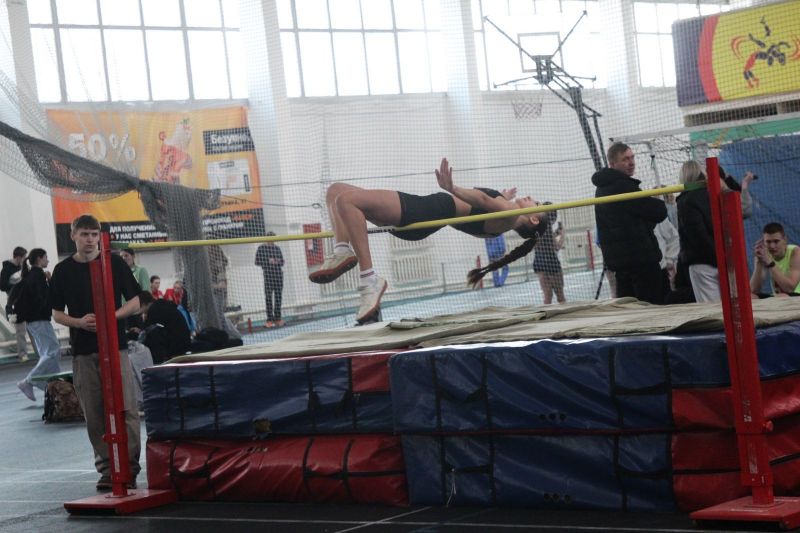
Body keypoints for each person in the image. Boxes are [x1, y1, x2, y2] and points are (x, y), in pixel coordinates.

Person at [309, 158, 545, 322]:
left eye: (535, 203)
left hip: (426, 211)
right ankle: (341, 250)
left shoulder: (509, 214)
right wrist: (502, 196)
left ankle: (369, 279)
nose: (530, 197)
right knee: (336, 191)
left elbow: (483, 200)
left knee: (346, 200)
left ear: (533, 219)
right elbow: (481, 209)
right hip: (425, 216)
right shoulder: (501, 221)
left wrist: (453, 188)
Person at [49, 214, 141, 491]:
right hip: (83, 351)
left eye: (94, 234)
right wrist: (78, 322)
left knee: (126, 407)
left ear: (99, 236)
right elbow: (56, 313)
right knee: (94, 412)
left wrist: (112, 316)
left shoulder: (114, 263)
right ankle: (107, 468)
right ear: (73, 236)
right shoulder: (63, 270)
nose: (90, 240)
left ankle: (129, 467)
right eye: (84, 234)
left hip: (116, 347)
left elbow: (135, 302)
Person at [592, 143, 667, 304]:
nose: (631, 162)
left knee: (630, 310)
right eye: (625, 159)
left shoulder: (601, 189)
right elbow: (659, 211)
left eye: (632, 157)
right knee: (651, 308)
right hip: (640, 261)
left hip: (621, 264)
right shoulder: (623, 186)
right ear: (612, 164)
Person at [676, 160, 755, 303]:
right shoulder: (716, 194)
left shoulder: (686, 201)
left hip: (703, 262)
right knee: (735, 304)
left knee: (712, 309)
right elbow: (742, 208)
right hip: (724, 258)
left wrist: (718, 257)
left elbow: (698, 237)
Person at [14, 249, 61, 401]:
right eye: (46, 257)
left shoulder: (30, 275)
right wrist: (51, 282)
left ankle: (52, 387)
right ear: (40, 259)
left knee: (47, 354)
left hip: (33, 321)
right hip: (39, 319)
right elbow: (45, 298)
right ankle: (29, 381)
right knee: (52, 351)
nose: (48, 260)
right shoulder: (38, 276)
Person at [136, 291, 192, 364]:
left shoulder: (154, 310)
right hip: (184, 342)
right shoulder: (162, 305)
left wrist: (142, 327)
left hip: (176, 346)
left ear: (143, 304)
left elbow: (149, 332)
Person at [2, 246, 34, 362]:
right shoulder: (6, 269)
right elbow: (2, 286)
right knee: (20, 330)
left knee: (33, 328)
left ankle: (40, 352)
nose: (25, 260)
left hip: (27, 300)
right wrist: (15, 283)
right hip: (15, 301)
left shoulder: (24, 267)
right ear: (19, 257)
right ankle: (23, 354)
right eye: (24, 257)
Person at [750, 222, 800, 298]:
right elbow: (753, 290)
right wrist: (759, 263)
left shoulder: (795, 252)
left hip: (796, 296)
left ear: (785, 240)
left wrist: (770, 263)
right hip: (778, 297)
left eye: (776, 241)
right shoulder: (764, 255)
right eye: (768, 242)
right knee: (751, 296)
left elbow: (790, 288)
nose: (772, 246)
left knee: (782, 297)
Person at [533, 209, 566, 304]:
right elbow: (556, 247)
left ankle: (546, 313)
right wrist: (562, 235)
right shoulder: (548, 227)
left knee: (547, 296)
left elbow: (543, 241)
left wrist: (556, 233)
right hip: (551, 262)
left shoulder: (537, 227)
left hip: (539, 262)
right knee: (560, 296)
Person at [255, 232, 285, 327]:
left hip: (278, 275)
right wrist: (268, 261)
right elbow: (257, 262)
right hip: (268, 275)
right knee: (268, 297)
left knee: (278, 297)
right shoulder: (261, 248)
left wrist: (277, 261)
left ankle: (278, 318)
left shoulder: (277, 248)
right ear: (267, 239)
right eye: (271, 239)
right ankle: (269, 320)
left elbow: (282, 261)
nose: (272, 241)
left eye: (273, 240)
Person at [654, 218, 679, 299]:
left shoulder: (655, 215)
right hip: (628, 273)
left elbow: (674, 238)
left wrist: (669, 260)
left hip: (659, 270)